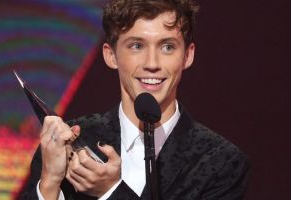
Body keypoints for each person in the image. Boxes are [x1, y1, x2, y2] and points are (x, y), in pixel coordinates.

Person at [19, 0, 249, 199]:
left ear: (187, 56)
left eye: (167, 47)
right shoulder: (65, 144)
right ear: (111, 55)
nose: (152, 63)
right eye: (137, 46)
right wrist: (49, 184)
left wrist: (111, 192)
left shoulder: (220, 162)